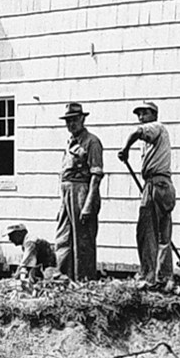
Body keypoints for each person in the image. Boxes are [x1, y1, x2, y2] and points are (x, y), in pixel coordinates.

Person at [118, 101, 177, 292]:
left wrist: (125, 150)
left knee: (146, 232)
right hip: (164, 185)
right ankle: (165, 277)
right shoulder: (156, 136)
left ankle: (148, 277)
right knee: (163, 234)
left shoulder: (155, 127)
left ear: (153, 114)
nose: (140, 118)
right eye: (138, 115)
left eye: (143, 114)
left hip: (155, 185)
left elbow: (136, 132)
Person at [57, 102, 104, 281]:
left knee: (83, 241)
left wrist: (88, 204)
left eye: (75, 120)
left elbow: (96, 175)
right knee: (64, 237)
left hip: (82, 192)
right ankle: (64, 280)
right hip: (67, 193)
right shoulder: (70, 142)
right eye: (68, 121)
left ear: (83, 119)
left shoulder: (92, 142)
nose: (71, 124)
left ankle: (84, 282)